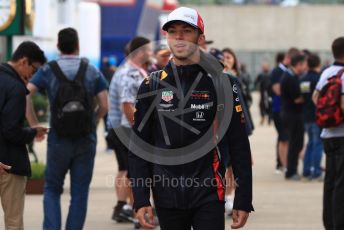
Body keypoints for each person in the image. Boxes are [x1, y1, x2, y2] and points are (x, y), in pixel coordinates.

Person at [128, 7, 253, 230]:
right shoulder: (151, 84)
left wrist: (243, 199)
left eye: (186, 30)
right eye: (173, 31)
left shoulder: (223, 83)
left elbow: (239, 145)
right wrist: (141, 198)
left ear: (201, 38)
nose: (179, 36)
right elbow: (139, 147)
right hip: (166, 195)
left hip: (209, 193)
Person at [26, 28, 108, 230]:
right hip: (85, 138)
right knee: (79, 194)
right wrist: (93, 121)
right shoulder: (91, 70)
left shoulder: (48, 70)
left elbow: (25, 94)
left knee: (52, 190)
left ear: (58, 46)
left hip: (58, 138)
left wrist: (34, 124)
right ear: (78, 45)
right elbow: (105, 105)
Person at [0, 41, 48, 230]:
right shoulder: (16, 88)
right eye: (34, 70)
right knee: (13, 221)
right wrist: (32, 132)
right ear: (23, 61)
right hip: (9, 164)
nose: (33, 76)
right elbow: (11, 131)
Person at [107, 36, 153, 222]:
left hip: (119, 128)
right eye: (148, 50)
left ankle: (121, 207)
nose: (150, 53)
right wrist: (139, 128)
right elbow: (126, 104)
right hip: (128, 129)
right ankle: (136, 213)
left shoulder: (130, 69)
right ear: (140, 52)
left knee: (125, 169)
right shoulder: (130, 73)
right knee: (135, 172)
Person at [313, 37, 344, 230]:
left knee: (331, 181)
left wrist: (328, 116)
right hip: (342, 135)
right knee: (342, 185)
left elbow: (315, 98)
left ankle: (330, 223)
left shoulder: (327, 72)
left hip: (328, 134)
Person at [270, 48, 299, 172]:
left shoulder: (288, 71)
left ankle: (284, 164)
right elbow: (277, 89)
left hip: (286, 109)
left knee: (287, 138)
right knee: (284, 138)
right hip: (279, 108)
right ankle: (283, 165)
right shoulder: (278, 71)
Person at [280, 53, 307, 180]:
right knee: (295, 143)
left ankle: (292, 169)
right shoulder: (290, 77)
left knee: (297, 143)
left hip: (291, 114)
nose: (305, 67)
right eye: (304, 64)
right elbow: (297, 99)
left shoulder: (292, 75)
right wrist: (308, 97)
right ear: (298, 64)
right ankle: (291, 171)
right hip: (292, 114)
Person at [299, 53, 323, 180]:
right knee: (317, 143)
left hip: (306, 114)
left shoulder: (303, 79)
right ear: (318, 64)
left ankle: (306, 170)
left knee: (310, 143)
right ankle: (316, 171)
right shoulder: (319, 78)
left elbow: (303, 96)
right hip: (316, 115)